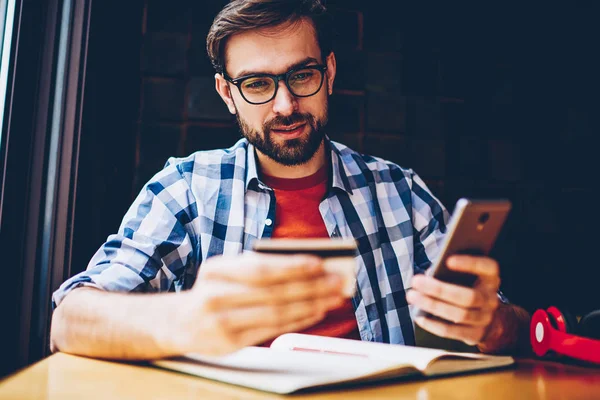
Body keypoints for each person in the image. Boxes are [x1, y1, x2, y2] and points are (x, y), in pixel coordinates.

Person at [50, 0, 531, 360]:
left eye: (302, 76)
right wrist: (183, 318)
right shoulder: (185, 189)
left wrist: (491, 326)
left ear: (331, 71)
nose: (285, 106)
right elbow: (69, 321)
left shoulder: (402, 193)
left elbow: (511, 325)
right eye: (257, 84)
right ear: (226, 93)